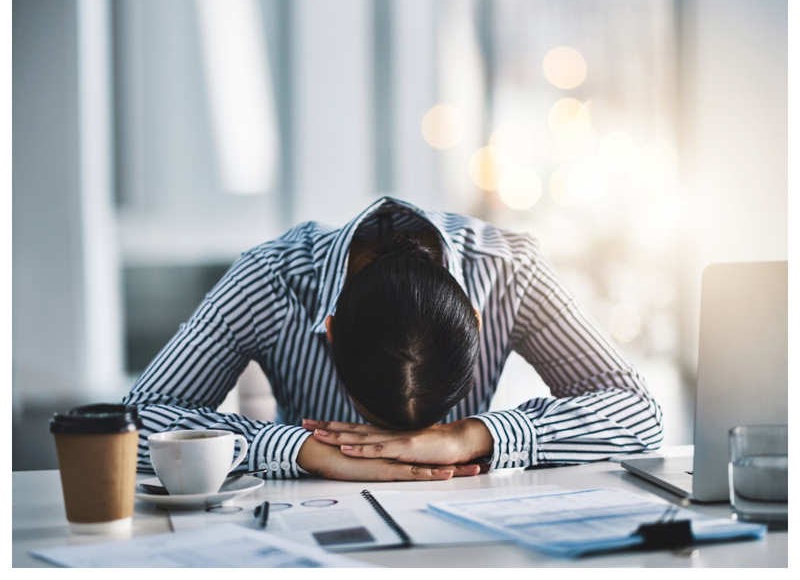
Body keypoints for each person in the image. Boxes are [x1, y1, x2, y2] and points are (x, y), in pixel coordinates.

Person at [123, 196, 663, 482]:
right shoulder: (270, 278)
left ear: (474, 320)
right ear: (329, 328)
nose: (403, 454)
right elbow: (130, 424)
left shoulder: (510, 271)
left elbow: (639, 413)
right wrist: (304, 451)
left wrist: (472, 436)